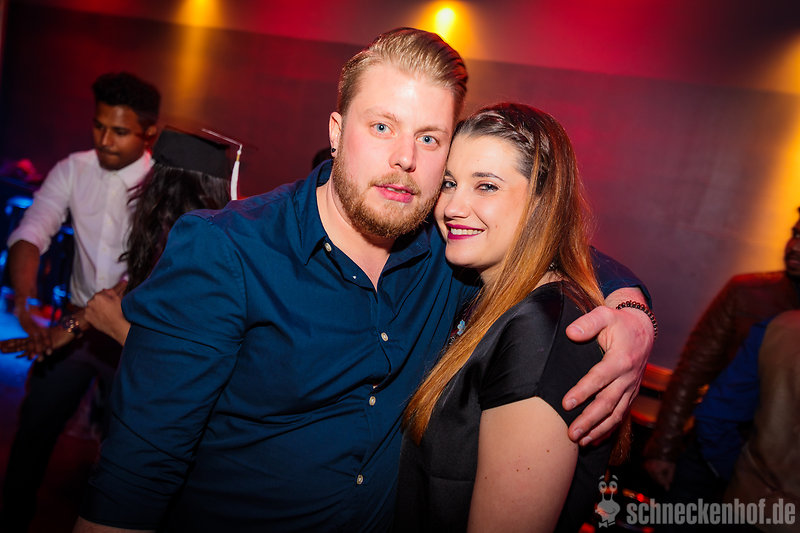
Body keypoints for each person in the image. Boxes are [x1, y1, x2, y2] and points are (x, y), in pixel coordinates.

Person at [75, 28, 655, 532]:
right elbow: (134, 477)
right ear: (336, 131)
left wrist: (633, 315)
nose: (405, 158)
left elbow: (549, 247)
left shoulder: (449, 251)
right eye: (381, 126)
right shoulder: (228, 253)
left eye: (429, 137)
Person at [395, 102, 629, 532]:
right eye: (449, 183)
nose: (453, 206)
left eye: (486, 186)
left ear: (542, 202)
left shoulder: (541, 331)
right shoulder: (491, 297)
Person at [0, 71, 160, 532]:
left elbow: (141, 272)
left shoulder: (162, 185)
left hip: (131, 335)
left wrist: (65, 329)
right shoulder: (74, 168)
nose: (105, 140)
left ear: (149, 132)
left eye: (120, 131)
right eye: (99, 126)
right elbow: (32, 230)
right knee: (34, 427)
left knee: (124, 445)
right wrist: (23, 304)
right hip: (73, 326)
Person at [0, 128, 233, 351]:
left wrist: (115, 326)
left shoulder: (212, 265)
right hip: (101, 333)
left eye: (157, 186)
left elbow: (181, 362)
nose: (148, 196)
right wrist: (69, 328)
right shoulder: (172, 240)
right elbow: (132, 280)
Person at [643, 209, 800, 491]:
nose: (795, 246)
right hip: (711, 455)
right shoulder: (748, 293)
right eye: (795, 234)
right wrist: (664, 448)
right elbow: (692, 371)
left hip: (775, 477)